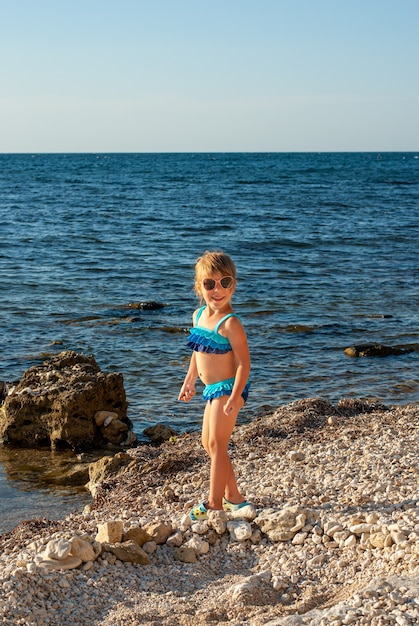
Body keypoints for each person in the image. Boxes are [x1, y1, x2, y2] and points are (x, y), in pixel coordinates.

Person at [178, 251, 251, 520]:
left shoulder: (231, 323)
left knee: (218, 444)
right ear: (199, 287)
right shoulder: (198, 316)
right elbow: (198, 353)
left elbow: (244, 363)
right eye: (210, 284)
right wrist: (189, 380)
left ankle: (214, 503)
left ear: (233, 285)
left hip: (230, 387)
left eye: (225, 283)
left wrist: (234, 396)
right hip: (211, 389)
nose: (217, 290)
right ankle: (234, 497)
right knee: (208, 444)